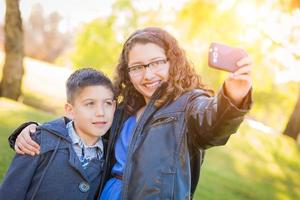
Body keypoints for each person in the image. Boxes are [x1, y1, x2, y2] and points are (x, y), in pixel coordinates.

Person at [8, 27, 253, 199]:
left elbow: (213, 127)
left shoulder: (189, 104)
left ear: (173, 62)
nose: (147, 75)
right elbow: (83, 125)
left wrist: (232, 96)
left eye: (157, 63)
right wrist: (32, 131)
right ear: (127, 72)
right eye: (137, 67)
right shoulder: (123, 109)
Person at [0, 68, 116, 200]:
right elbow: (10, 192)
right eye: (90, 104)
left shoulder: (111, 156)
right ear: (70, 110)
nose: (101, 112)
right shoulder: (37, 142)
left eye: (107, 103)